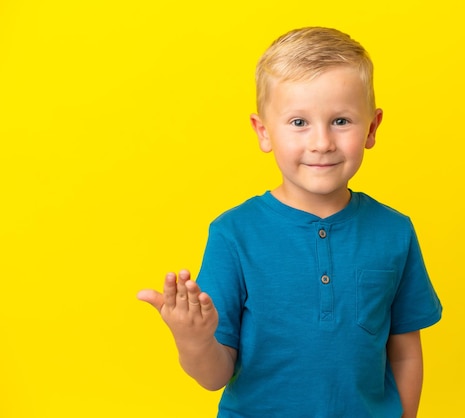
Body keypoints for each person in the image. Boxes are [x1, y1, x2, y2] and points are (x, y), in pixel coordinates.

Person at [137, 26, 442, 417]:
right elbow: (214, 376)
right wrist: (193, 340)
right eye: (299, 123)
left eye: (341, 121)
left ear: (372, 127)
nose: (322, 142)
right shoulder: (234, 234)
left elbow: (403, 352)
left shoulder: (395, 232)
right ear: (263, 132)